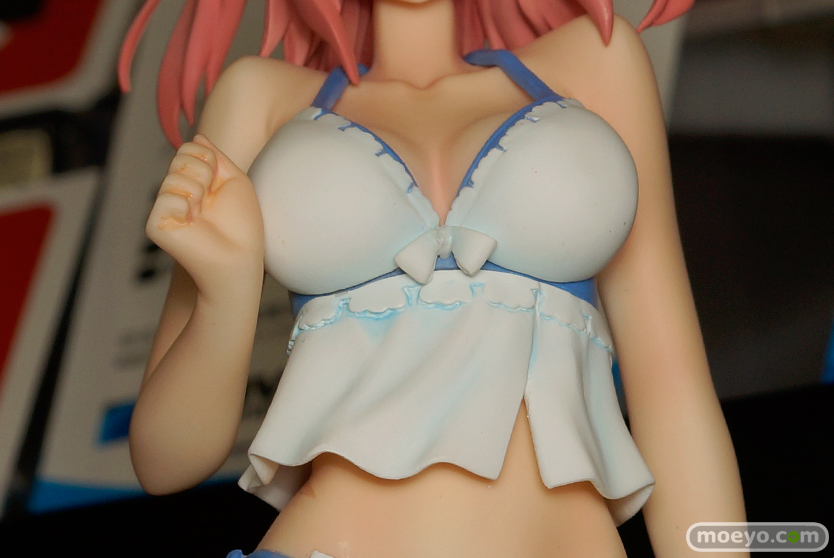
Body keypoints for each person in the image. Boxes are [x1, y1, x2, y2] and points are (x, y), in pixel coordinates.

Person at [119, 1, 747, 557]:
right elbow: (164, 461)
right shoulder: (260, 98)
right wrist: (225, 293)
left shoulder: (595, 61)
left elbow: (671, 385)